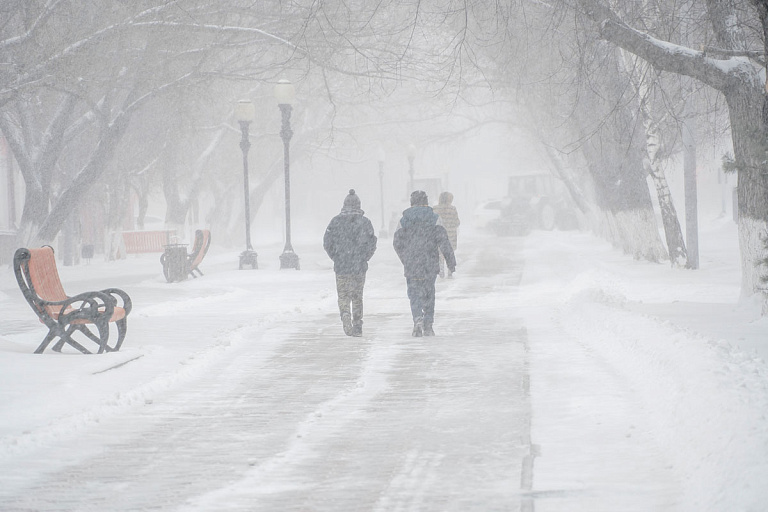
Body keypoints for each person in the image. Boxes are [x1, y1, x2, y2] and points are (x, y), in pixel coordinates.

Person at [393, 190, 456, 337]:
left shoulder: (404, 220)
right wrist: (450, 262)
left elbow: (396, 242)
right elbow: (444, 241)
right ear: (426, 202)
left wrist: (405, 258)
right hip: (429, 262)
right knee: (429, 293)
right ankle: (428, 324)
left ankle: (417, 318)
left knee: (414, 293)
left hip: (412, 264)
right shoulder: (434, 218)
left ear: (411, 202)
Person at [323, 189, 378, 337]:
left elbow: (327, 242)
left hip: (341, 265)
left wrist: (336, 256)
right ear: (359, 205)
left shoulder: (335, 222)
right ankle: (358, 323)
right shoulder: (365, 222)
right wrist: (365, 257)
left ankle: (345, 314)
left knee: (343, 295)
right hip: (359, 265)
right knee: (357, 295)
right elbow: (372, 242)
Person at [432, 191, 460, 278]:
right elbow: (457, 222)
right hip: (450, 235)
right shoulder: (452, 209)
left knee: (439, 253)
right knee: (449, 253)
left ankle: (441, 270)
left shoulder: (435, 209)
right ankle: (450, 271)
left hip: (438, 234)